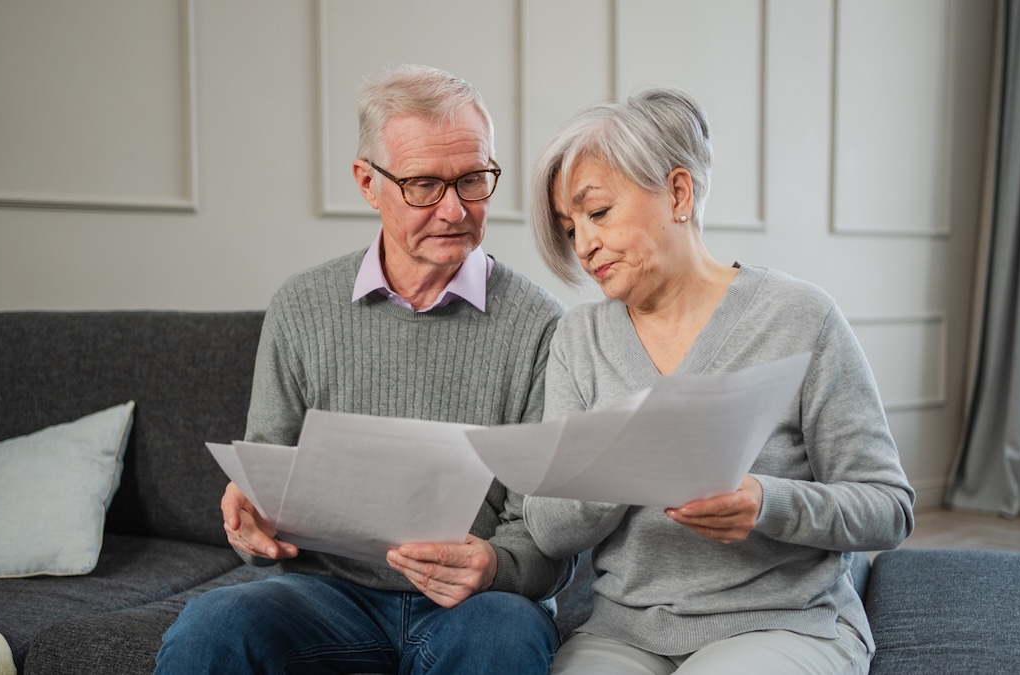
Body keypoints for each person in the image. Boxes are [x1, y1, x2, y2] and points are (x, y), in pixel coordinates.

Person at [155, 64, 569, 675]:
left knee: (501, 642)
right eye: (424, 184)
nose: (454, 210)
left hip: (476, 604)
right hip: (325, 595)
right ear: (367, 183)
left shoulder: (542, 326)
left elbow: (548, 536)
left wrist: (495, 566)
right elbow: (267, 488)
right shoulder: (301, 306)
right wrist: (253, 527)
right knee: (211, 628)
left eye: (474, 180)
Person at [522, 88, 915, 675]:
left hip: (780, 621)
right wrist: (620, 461)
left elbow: (888, 507)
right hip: (623, 631)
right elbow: (549, 529)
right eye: (568, 225)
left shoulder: (798, 316)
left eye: (598, 212)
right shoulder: (580, 338)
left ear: (678, 192)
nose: (583, 245)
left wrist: (767, 503)